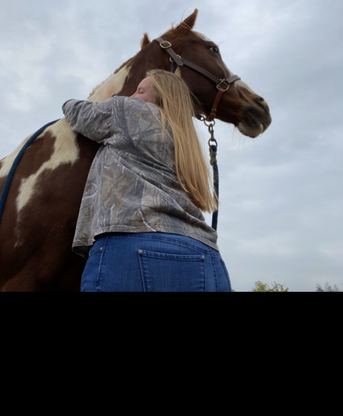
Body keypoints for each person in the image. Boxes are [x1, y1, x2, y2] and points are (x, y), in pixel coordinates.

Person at [62, 70, 233, 292]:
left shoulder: (128, 110)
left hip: (131, 248)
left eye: (140, 91)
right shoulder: (186, 139)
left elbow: (74, 110)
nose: (132, 96)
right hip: (204, 253)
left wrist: (96, 97)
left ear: (163, 98)